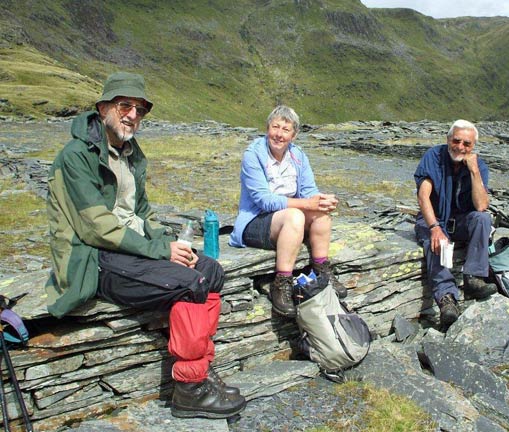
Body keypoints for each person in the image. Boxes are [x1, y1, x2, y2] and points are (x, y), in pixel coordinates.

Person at [45, 72, 246, 419]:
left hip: (128, 251)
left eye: (140, 110)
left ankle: (203, 368)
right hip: (93, 258)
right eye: (125, 106)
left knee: (210, 270)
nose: (133, 116)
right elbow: (97, 228)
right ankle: (189, 388)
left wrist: (169, 243)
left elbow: (141, 214)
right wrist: (161, 252)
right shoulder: (76, 156)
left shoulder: (130, 153)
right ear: (104, 107)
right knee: (190, 283)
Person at [229, 105, 346, 318]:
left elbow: (309, 191)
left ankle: (321, 271)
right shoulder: (253, 155)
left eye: (285, 129)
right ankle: (282, 282)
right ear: (267, 128)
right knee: (296, 215)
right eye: (275, 127)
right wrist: (307, 204)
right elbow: (264, 201)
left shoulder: (298, 155)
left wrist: (320, 201)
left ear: (294, 134)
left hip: (287, 219)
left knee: (321, 215)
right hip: (255, 221)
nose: (279, 134)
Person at [414, 119, 497, 330]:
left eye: (467, 144)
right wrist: (434, 228)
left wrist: (474, 171)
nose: (460, 147)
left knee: (483, 219)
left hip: (460, 220)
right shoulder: (434, 156)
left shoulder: (479, 166)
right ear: (448, 139)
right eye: (456, 140)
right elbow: (423, 196)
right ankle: (447, 300)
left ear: (473, 146)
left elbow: (481, 206)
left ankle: (473, 277)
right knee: (438, 242)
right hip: (432, 218)